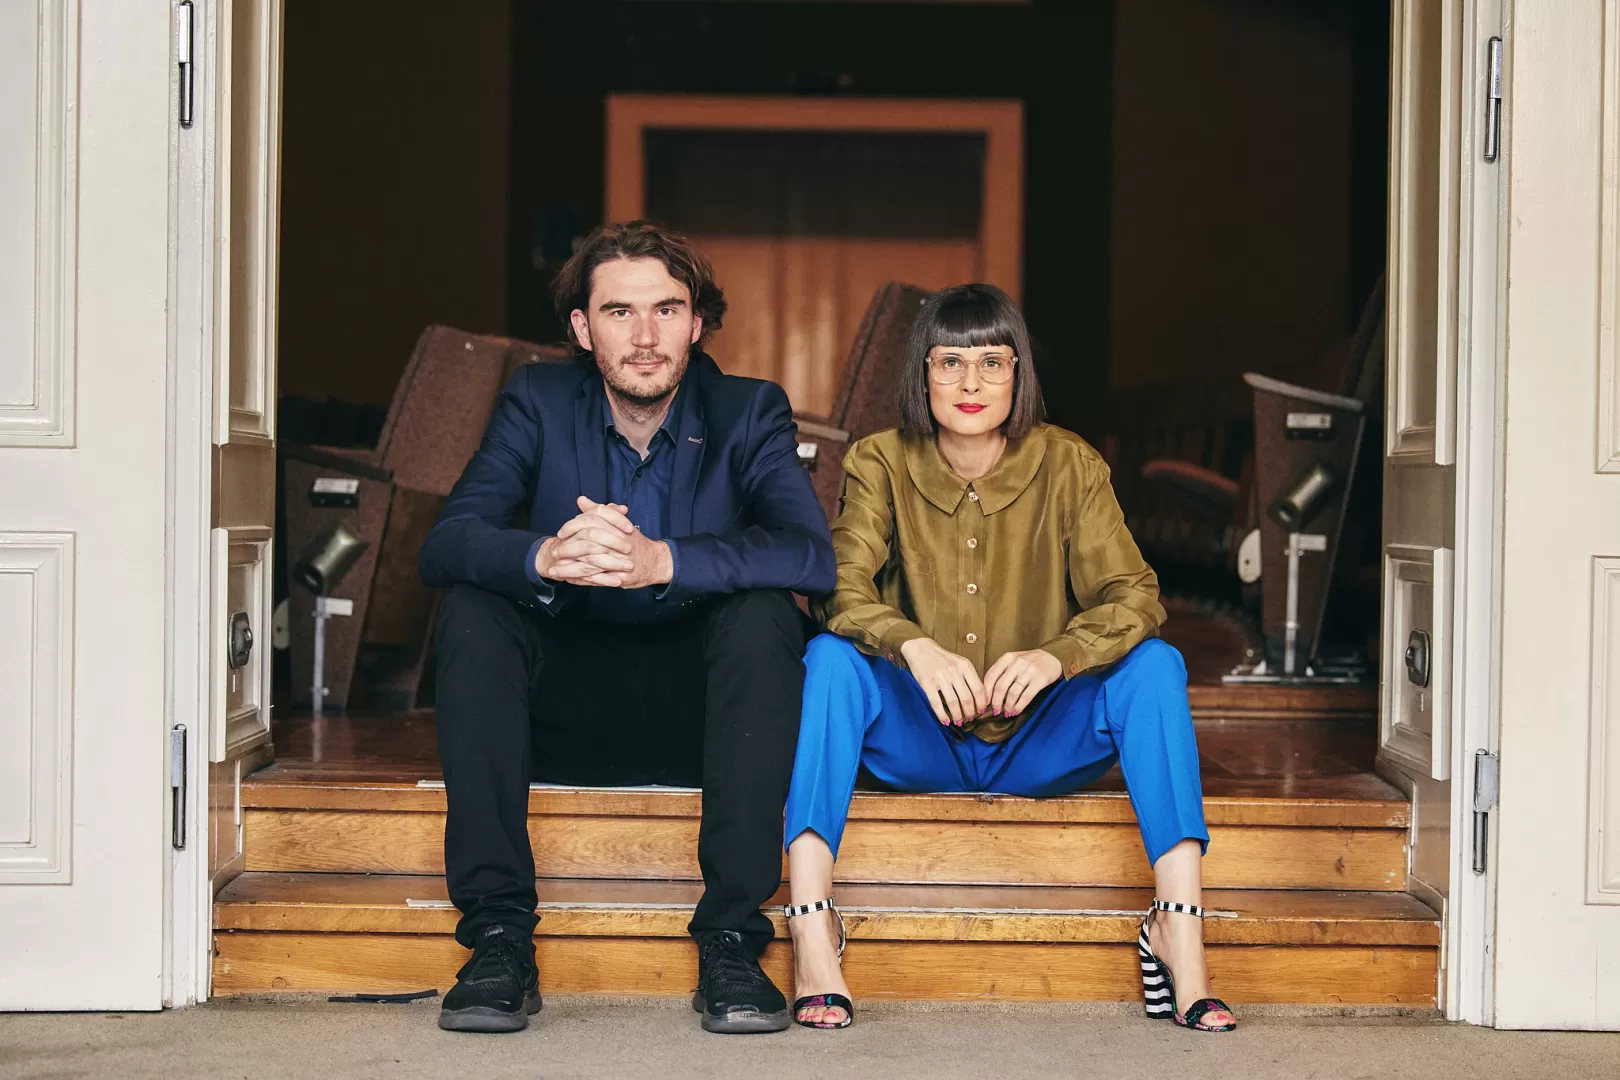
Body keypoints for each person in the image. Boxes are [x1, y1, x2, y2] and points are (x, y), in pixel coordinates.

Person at [780, 284, 1237, 1034]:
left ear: (1018, 373)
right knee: (830, 659)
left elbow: (1136, 596)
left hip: (1038, 742)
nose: (969, 384)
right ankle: (812, 927)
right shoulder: (879, 461)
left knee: (1156, 665)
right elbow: (836, 589)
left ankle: (1178, 932)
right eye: (949, 362)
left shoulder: (1068, 464)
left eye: (992, 363)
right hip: (917, 737)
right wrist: (913, 646)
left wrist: (1059, 656)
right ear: (920, 375)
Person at [418, 221, 834, 1034]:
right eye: (618, 312)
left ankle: (732, 944)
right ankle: (498, 936)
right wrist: (543, 554)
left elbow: (807, 555)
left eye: (666, 310)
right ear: (582, 327)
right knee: (473, 606)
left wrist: (664, 562)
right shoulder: (536, 401)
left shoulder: (750, 410)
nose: (644, 337)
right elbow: (448, 540)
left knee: (763, 617)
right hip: (560, 714)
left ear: (698, 322)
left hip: (705, 720)